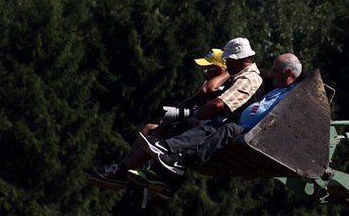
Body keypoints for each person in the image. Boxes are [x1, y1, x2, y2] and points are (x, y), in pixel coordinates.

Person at [89, 38, 263, 189]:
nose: (205, 73)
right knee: (153, 128)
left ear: (229, 63)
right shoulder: (236, 78)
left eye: (209, 69)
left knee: (174, 126)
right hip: (209, 125)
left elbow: (212, 97)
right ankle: (125, 170)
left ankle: (134, 171)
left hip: (221, 129)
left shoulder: (245, 78)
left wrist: (223, 74)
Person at [127, 52, 303, 194]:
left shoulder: (293, 93)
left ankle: (173, 156)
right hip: (236, 125)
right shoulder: (276, 89)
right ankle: (164, 174)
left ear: (288, 74)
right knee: (193, 123)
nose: (271, 74)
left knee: (227, 128)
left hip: (252, 134)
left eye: (275, 70)